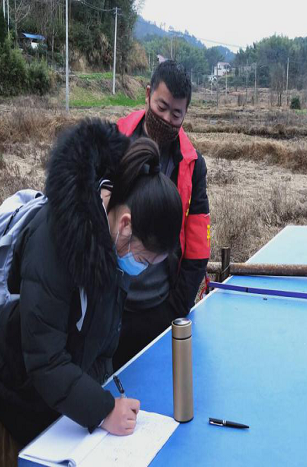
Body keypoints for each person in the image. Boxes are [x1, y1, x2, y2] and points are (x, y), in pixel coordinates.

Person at [0, 119, 183, 466]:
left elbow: (103, 335)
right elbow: (44, 360)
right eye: (144, 260)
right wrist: (103, 410)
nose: (143, 269)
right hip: (19, 395)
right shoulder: (54, 239)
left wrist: (101, 391)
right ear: (126, 225)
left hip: (62, 402)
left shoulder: (113, 242)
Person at [113, 60, 210, 370]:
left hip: (157, 309)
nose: (167, 119)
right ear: (147, 95)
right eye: (162, 107)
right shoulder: (113, 140)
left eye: (176, 114)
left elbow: (198, 249)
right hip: (109, 306)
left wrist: (173, 310)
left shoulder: (192, 165)